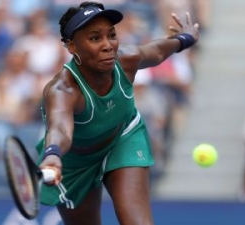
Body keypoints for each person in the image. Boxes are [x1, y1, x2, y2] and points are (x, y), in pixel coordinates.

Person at [35, 2, 199, 224]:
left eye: (111, 35)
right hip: (75, 162)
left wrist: (185, 38)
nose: (108, 45)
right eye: (95, 38)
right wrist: (53, 154)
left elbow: (158, 50)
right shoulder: (62, 90)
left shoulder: (126, 60)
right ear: (72, 47)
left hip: (122, 138)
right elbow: (60, 128)